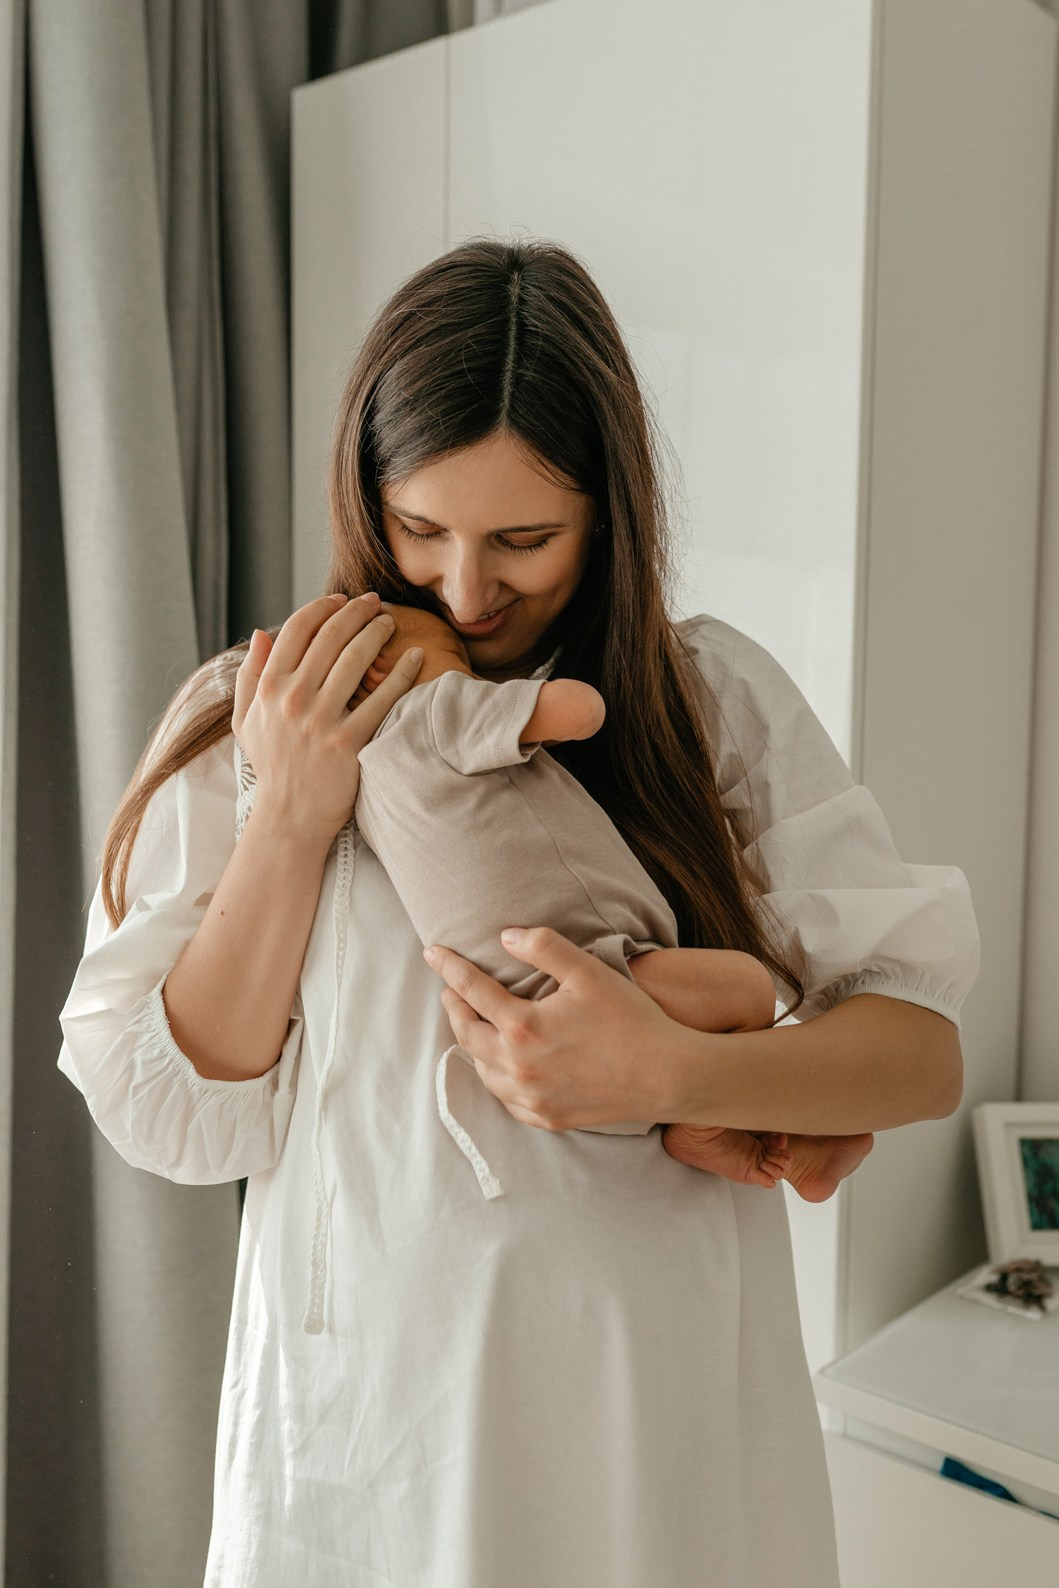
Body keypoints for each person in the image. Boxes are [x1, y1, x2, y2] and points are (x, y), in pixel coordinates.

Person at [57, 238, 979, 1587]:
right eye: (420, 531)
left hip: (647, 1401)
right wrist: (297, 810)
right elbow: (169, 1109)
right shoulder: (255, 710)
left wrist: (672, 1068)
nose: (466, 591)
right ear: (365, 500)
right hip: (370, 1417)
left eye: (524, 540)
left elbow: (920, 1050)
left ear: (607, 512)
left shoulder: (699, 700)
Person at [311, 593, 873, 1200]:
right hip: (591, 973)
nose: (474, 673)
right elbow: (581, 710)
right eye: (456, 656)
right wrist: (512, 697)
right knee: (745, 988)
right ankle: (714, 1125)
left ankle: (782, 1134)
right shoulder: (431, 713)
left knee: (712, 1020)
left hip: (525, 1009)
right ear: (381, 671)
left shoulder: (364, 785)